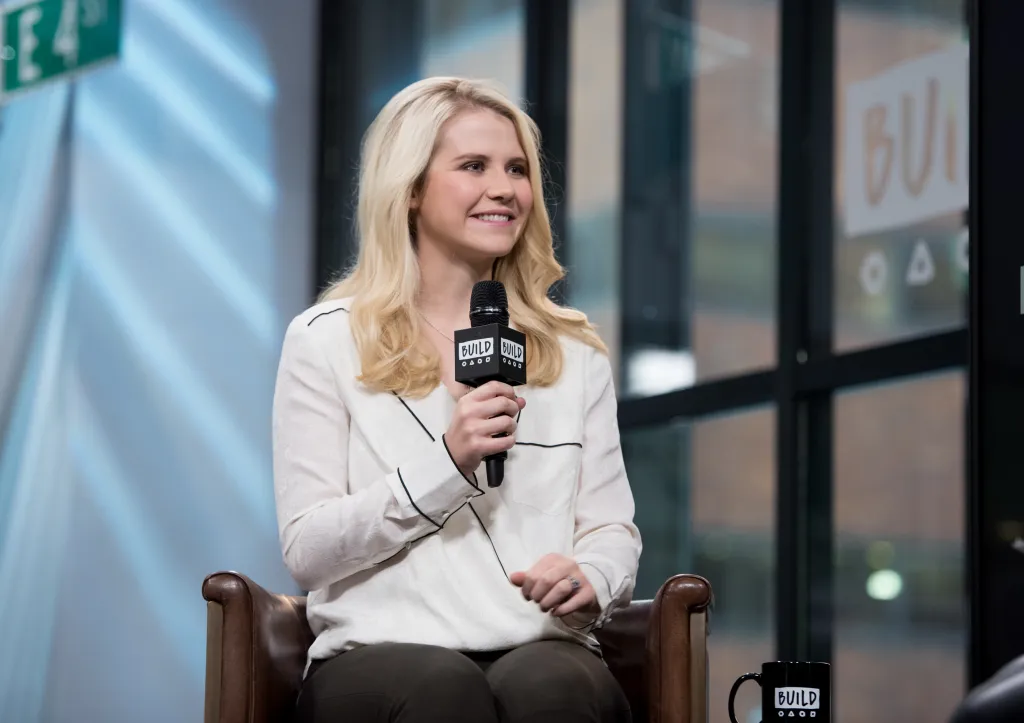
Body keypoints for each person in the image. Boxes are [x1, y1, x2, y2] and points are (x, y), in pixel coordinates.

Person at [272, 76, 642, 723]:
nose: (504, 188)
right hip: (378, 652)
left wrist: (593, 577)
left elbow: (610, 528)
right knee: (440, 690)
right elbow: (309, 550)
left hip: (540, 643)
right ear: (411, 188)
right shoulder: (326, 338)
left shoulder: (573, 349)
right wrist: (447, 462)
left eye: (517, 169)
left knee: (556, 689)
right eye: (474, 166)